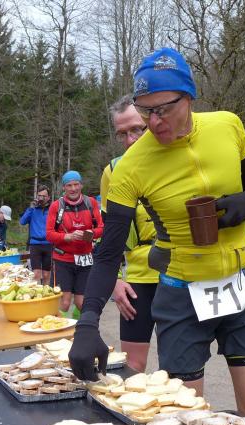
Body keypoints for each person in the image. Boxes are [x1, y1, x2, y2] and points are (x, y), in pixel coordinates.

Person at [67, 48, 245, 420]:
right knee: (183, 420)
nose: (154, 122)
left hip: (241, 282)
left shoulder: (228, 126)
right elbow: (109, 252)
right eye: (145, 111)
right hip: (181, 294)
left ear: (188, 97)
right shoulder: (131, 168)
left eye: (163, 109)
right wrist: (88, 322)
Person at [99, 95, 157, 371]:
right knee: (132, 366)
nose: (130, 140)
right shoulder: (112, 171)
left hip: (179, 277)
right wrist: (114, 281)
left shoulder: (180, 161)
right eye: (122, 134)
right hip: (137, 280)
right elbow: (107, 236)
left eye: (137, 129)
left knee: (180, 368)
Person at [46, 170, 104, 313]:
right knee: (64, 303)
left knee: (82, 302)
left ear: (81, 185)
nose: (73, 189)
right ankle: (56, 325)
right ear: (64, 187)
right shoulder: (56, 206)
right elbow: (49, 234)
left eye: (76, 184)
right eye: (69, 185)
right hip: (63, 259)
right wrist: (68, 237)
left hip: (85, 259)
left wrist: (90, 234)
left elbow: (102, 228)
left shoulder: (90, 203)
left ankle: (84, 326)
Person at [20, 185, 53, 285]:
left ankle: (46, 291)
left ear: (48, 197)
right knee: (36, 274)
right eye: (39, 196)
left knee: (46, 274)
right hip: (35, 244)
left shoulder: (52, 209)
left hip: (49, 244)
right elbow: (22, 222)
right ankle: (37, 293)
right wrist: (30, 208)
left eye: (44, 196)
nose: (41, 198)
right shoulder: (32, 209)